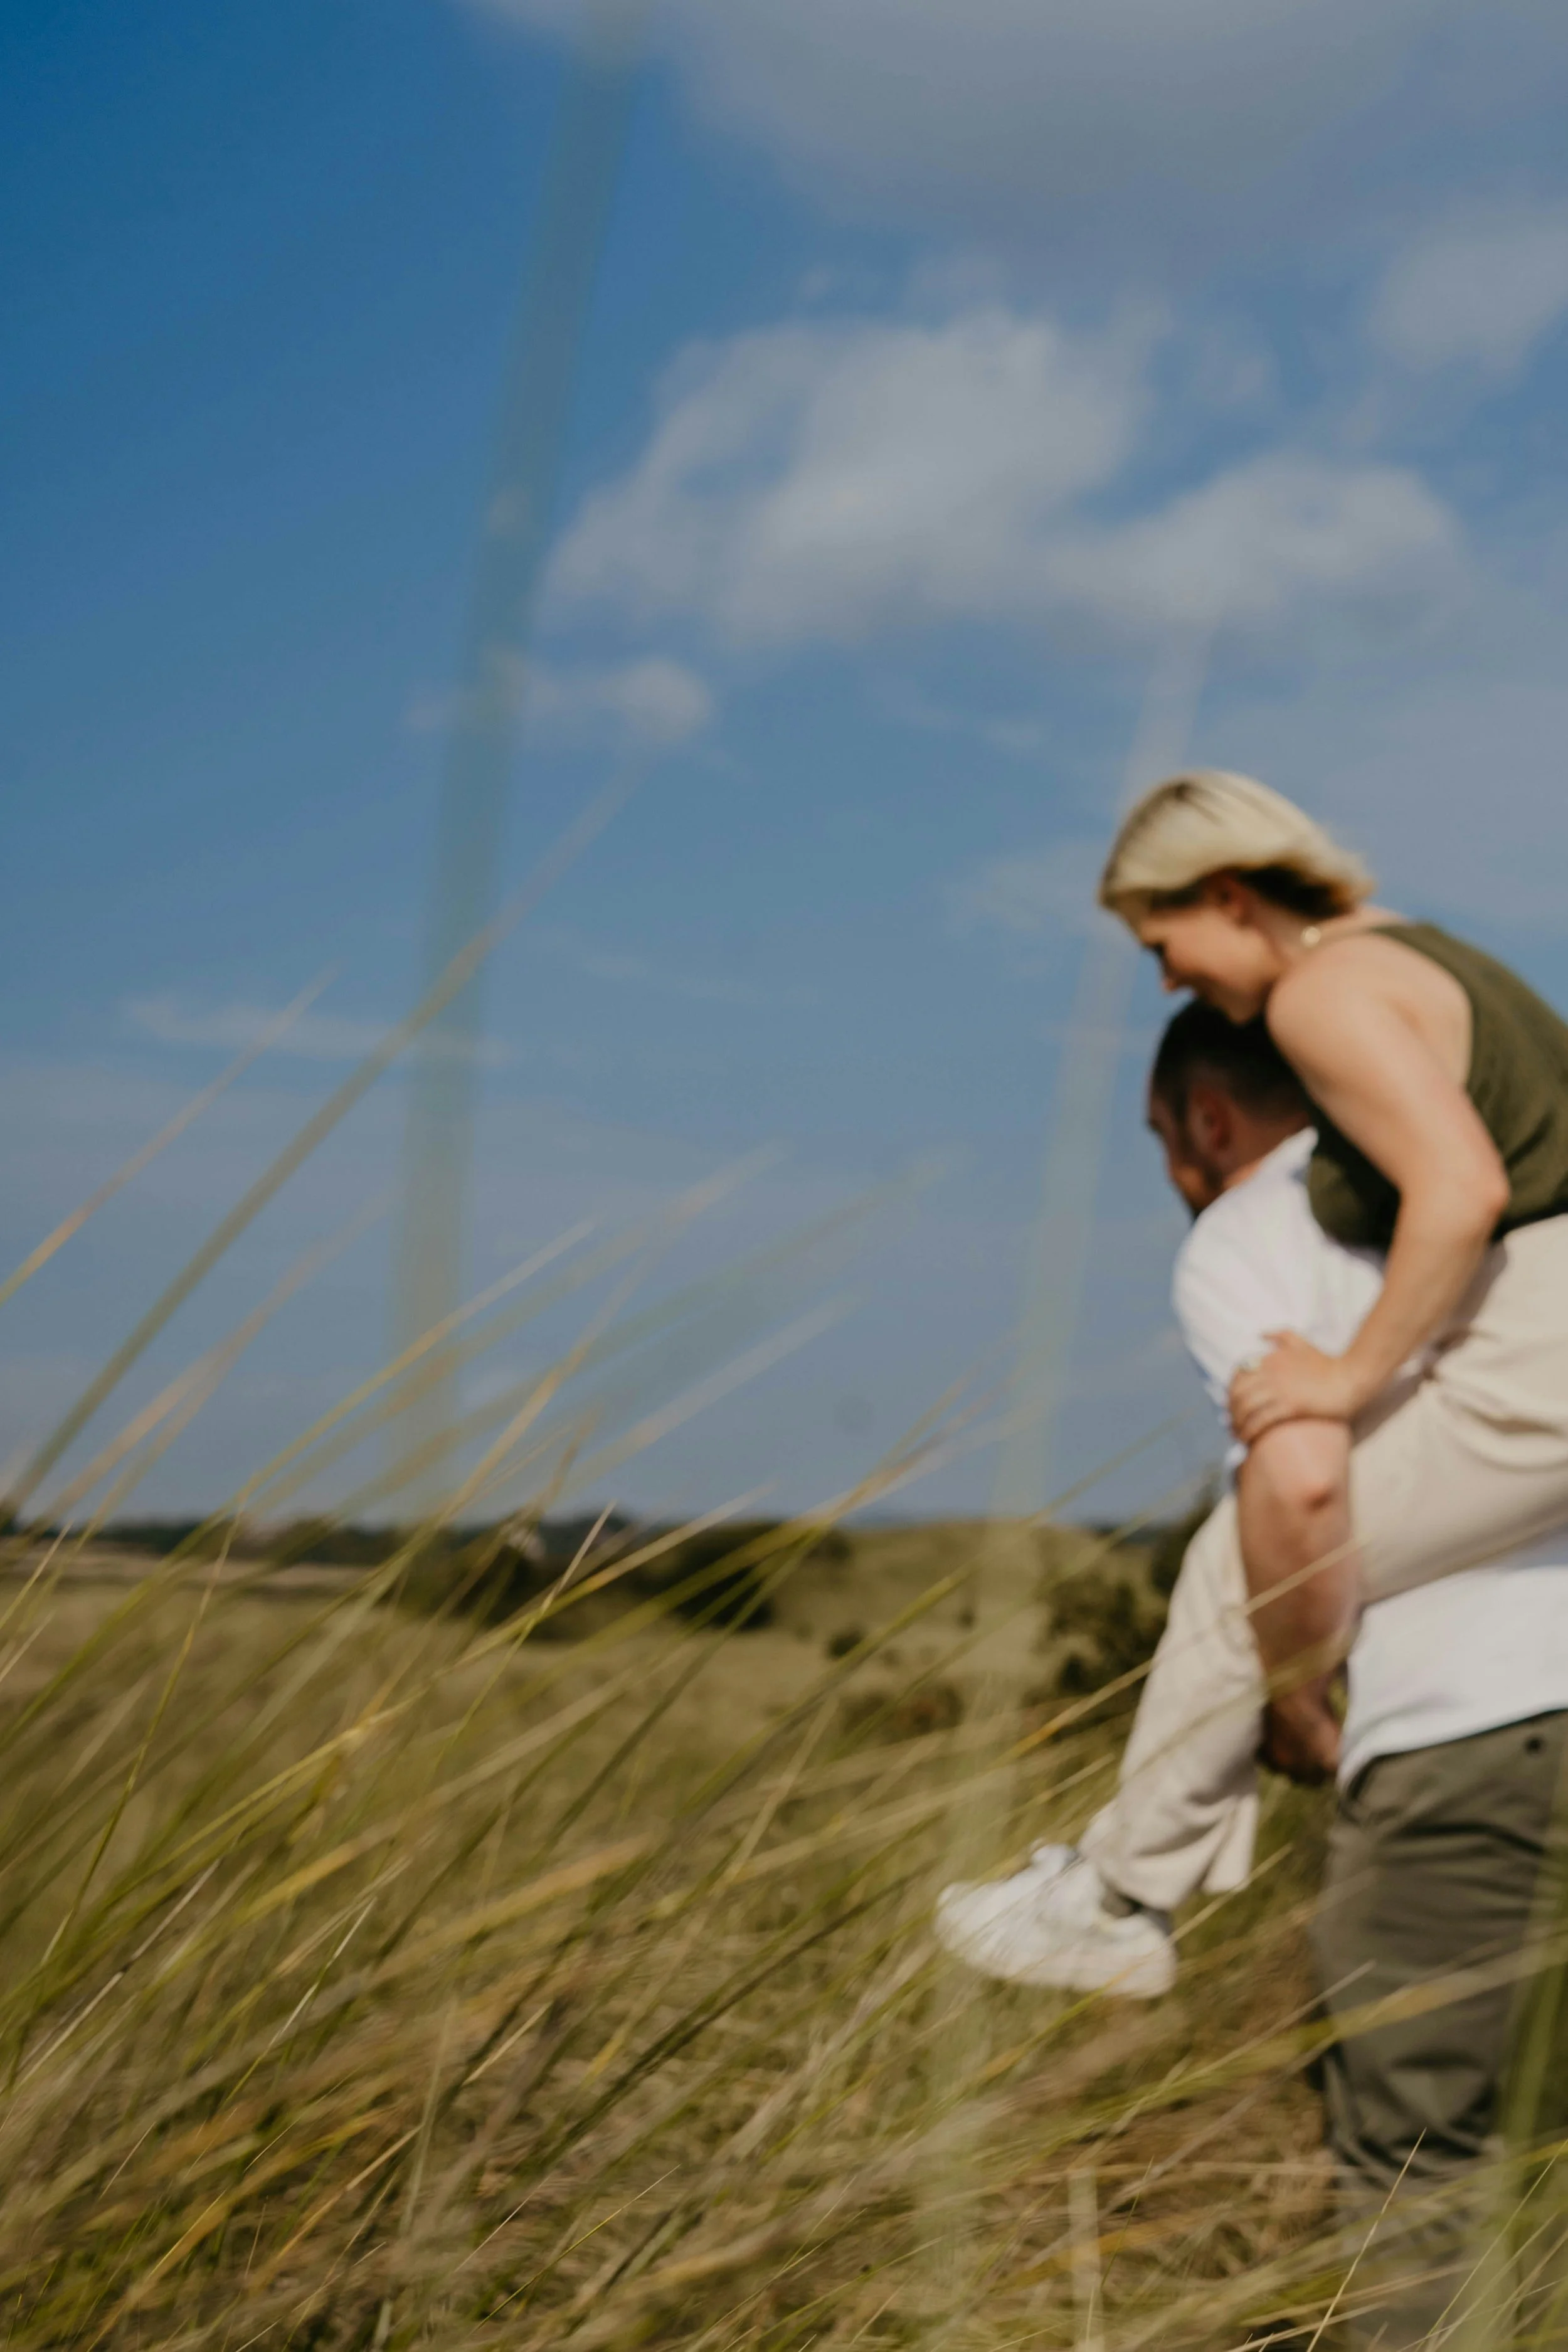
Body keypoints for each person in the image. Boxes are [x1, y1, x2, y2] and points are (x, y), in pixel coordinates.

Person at [938, 1003, 1568, 2347]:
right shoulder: (1506, 1194)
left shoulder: (1252, 1224)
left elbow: (1296, 1477)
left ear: (1205, 1122)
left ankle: (1121, 1895)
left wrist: (1290, 1697)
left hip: (1478, 1738)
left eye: (1162, 1141)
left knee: (1425, 2179)